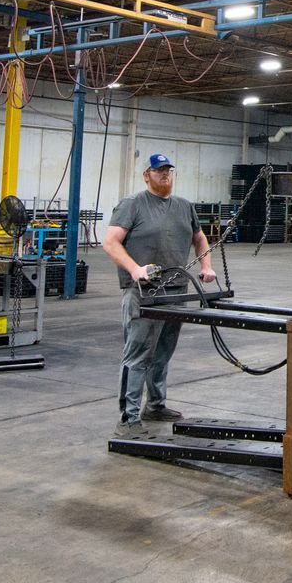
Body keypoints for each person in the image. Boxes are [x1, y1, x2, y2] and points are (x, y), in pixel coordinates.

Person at [102, 153, 217, 437]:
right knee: (137, 354)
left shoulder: (184, 206)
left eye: (168, 170)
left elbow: (199, 237)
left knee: (163, 352)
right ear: (147, 175)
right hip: (144, 292)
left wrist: (206, 266)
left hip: (177, 291)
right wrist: (134, 269)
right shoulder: (132, 205)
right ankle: (128, 419)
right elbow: (111, 242)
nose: (165, 174)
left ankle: (155, 405)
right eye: (158, 170)